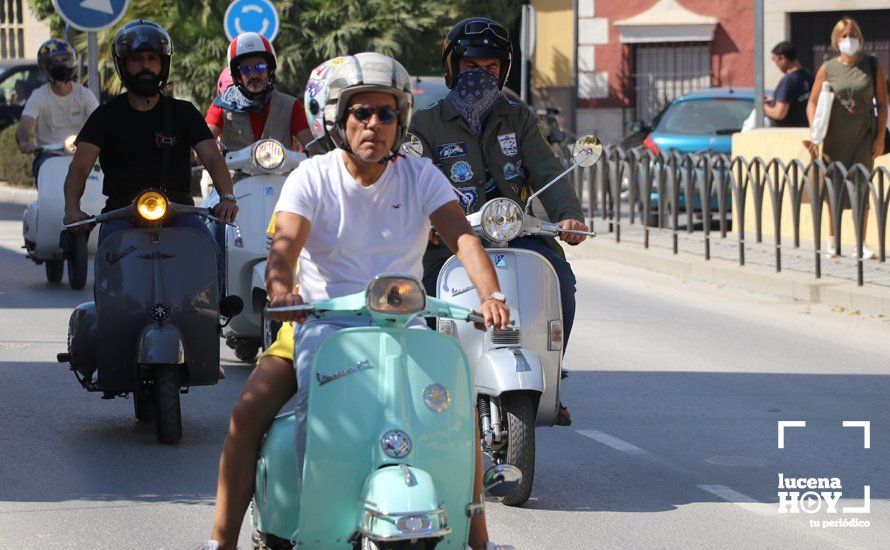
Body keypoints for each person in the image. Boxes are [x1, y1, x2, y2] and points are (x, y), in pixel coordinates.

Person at [206, 52, 513, 550]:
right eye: (362, 113)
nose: (374, 123)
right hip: (319, 326)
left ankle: (478, 538)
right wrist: (284, 292)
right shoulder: (311, 176)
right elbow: (283, 247)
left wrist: (492, 293)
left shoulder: (421, 176)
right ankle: (231, 539)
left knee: (458, 414)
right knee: (246, 414)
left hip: (404, 328)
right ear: (338, 120)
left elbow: (463, 239)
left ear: (400, 121)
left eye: (386, 113)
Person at [409, 17, 588, 425]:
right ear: (453, 67)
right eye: (472, 67)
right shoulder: (427, 123)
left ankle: (551, 374)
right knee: (421, 292)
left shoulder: (519, 118)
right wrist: (426, 222)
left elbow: (546, 168)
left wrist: (568, 215)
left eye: (491, 69)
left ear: (504, 71)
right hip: (450, 239)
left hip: (515, 233)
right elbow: (413, 177)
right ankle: (431, 380)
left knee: (560, 280)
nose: (481, 77)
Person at [62, 19, 237, 271]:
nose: (145, 66)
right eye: (136, 59)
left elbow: (212, 158)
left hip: (179, 213)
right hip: (120, 214)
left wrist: (227, 197)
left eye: (152, 58)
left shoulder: (184, 112)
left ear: (164, 64)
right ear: (122, 65)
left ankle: (214, 310)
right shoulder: (104, 116)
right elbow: (79, 168)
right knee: (108, 276)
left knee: (210, 255)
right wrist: (72, 209)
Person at [807, 16, 888, 259]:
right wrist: (815, 131)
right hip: (834, 138)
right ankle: (833, 240)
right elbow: (812, 102)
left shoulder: (872, 66)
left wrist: (880, 138)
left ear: (860, 38)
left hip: (864, 136)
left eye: (853, 35)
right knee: (834, 189)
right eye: (844, 36)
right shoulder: (828, 68)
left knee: (862, 188)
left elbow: (883, 104)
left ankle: (860, 243)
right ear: (836, 41)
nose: (849, 40)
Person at [205, 32, 313, 152]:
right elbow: (204, 143)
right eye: (246, 69)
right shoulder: (221, 106)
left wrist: (318, 156)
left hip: (283, 171)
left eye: (260, 67)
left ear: (269, 70)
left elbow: (312, 147)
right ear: (237, 74)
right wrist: (200, 158)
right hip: (232, 171)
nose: (254, 75)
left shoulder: (291, 106)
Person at [16, 38, 99, 183]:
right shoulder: (39, 96)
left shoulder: (84, 94)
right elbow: (25, 124)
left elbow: (100, 120)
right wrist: (24, 142)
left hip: (80, 154)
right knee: (47, 184)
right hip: (48, 156)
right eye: (55, 62)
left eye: (65, 60)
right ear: (45, 69)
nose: (61, 65)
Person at [765, 41, 813, 127]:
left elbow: (779, 113)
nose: (776, 66)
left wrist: (765, 108)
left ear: (782, 58)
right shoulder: (808, 76)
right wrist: (775, 99)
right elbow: (795, 101)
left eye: (775, 61)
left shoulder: (788, 81)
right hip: (804, 130)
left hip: (786, 134)